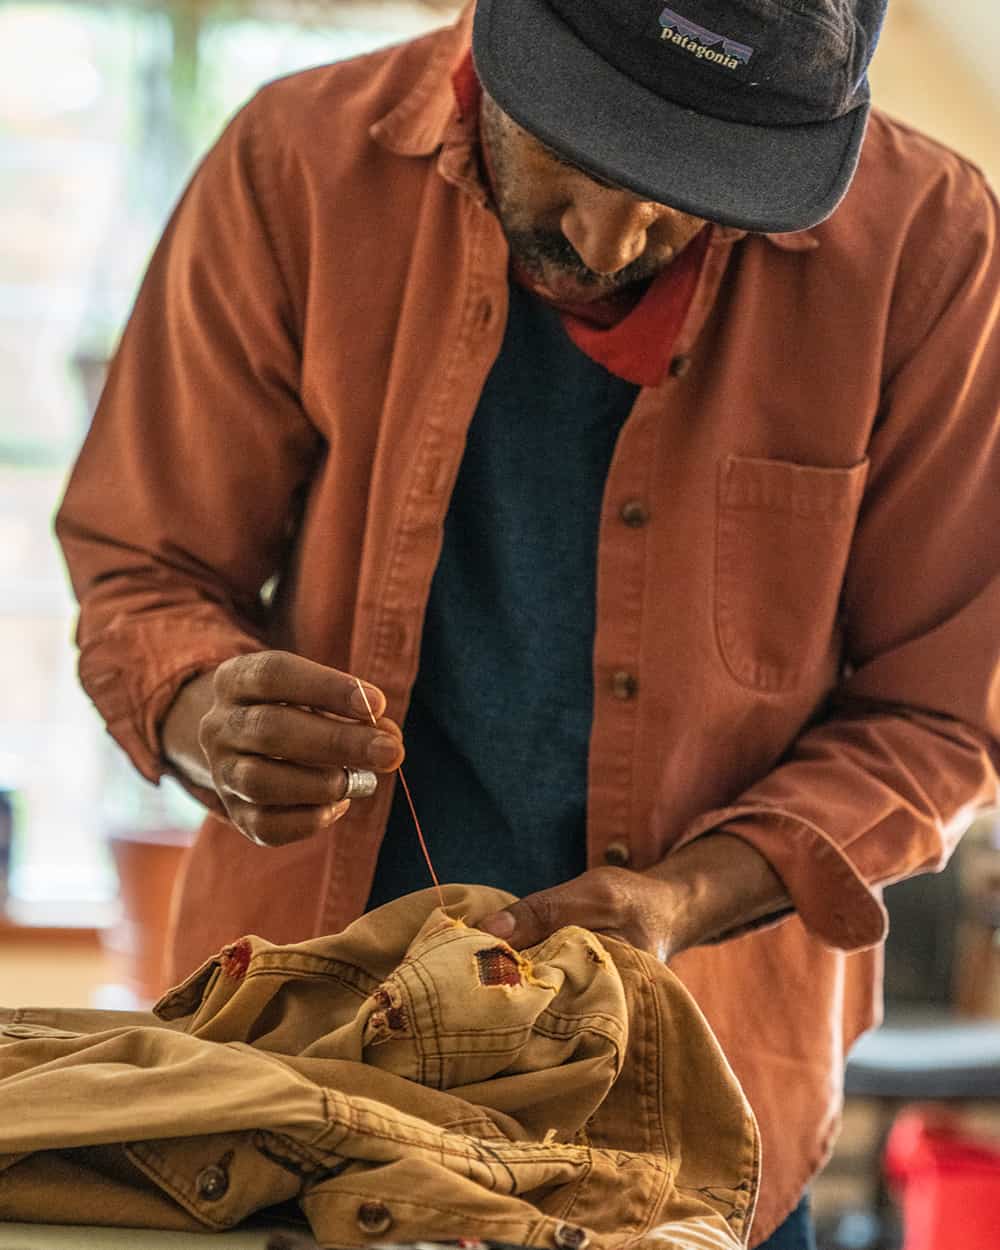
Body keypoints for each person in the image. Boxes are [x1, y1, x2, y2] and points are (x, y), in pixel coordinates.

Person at [55, 1, 1000, 1247]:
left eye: (690, 184)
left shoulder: (926, 251)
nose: (612, 237)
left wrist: (680, 898)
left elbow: (936, 716)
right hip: (293, 1087)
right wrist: (198, 709)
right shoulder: (296, 165)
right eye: (582, 147)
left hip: (694, 1125)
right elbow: (143, 564)